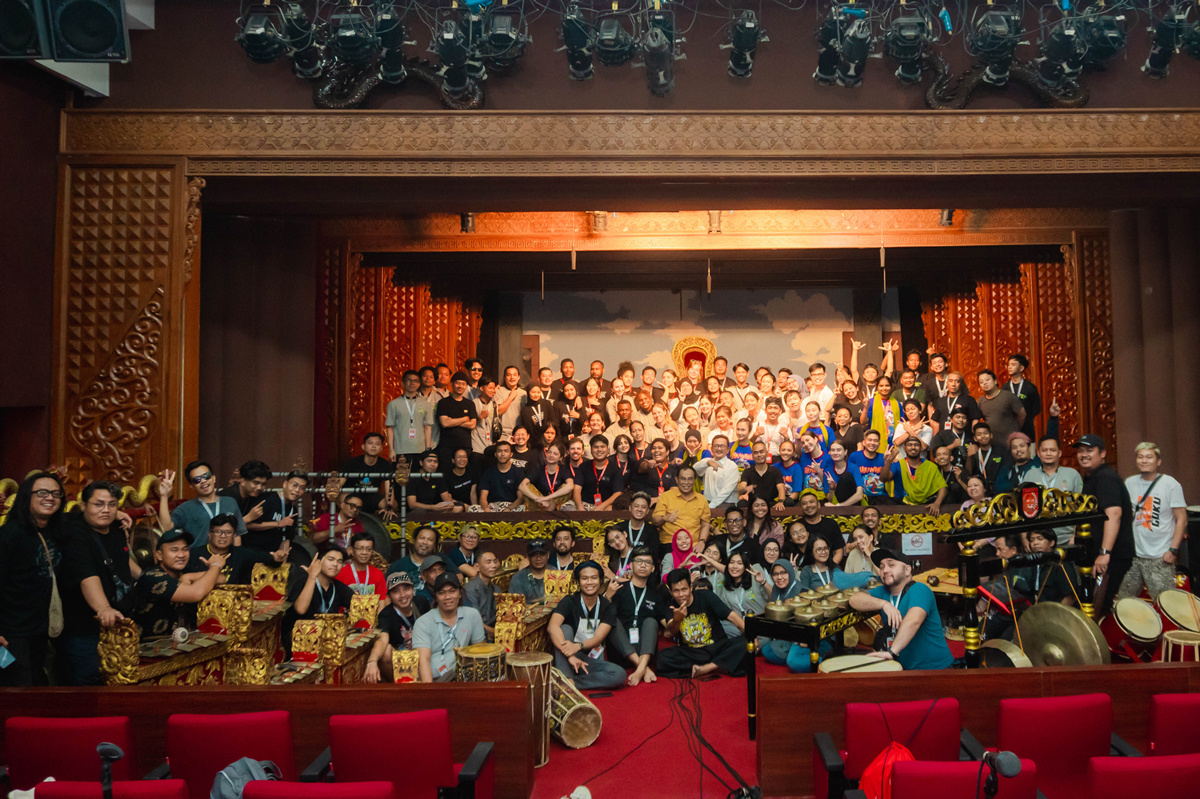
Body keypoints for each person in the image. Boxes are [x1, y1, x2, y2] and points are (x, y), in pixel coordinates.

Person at [56, 479, 144, 685]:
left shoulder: (116, 527)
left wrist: (148, 578)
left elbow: (123, 563)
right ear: (84, 505)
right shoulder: (75, 533)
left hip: (117, 623)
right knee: (87, 680)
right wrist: (103, 607)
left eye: (112, 505)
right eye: (98, 504)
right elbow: (86, 576)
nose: (105, 510)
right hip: (83, 626)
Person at [0, 472, 66, 686]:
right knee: (17, 688)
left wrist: (119, 515)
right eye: (42, 493)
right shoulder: (9, 534)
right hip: (11, 634)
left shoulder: (57, 530)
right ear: (27, 496)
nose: (50, 498)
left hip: (42, 631)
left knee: (38, 687)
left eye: (56, 493)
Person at [849, 548, 954, 670]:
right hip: (905, 669)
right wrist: (884, 604)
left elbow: (913, 621)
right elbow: (854, 599)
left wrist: (891, 652)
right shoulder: (883, 592)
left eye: (891, 565)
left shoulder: (920, 589)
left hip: (935, 670)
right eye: (882, 567)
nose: (885, 570)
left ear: (907, 569)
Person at [1116, 442, 1188, 602]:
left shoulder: (1170, 484)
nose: (1144, 460)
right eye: (1140, 457)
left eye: (1149, 457)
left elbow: (1181, 518)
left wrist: (1173, 550)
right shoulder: (1129, 483)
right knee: (1124, 602)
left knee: (1166, 603)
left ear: (1158, 461)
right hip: (1133, 555)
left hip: (1159, 556)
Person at [549, 561, 628, 690]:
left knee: (619, 674)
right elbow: (552, 626)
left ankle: (567, 683)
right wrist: (570, 655)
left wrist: (578, 647)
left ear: (601, 580)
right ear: (578, 582)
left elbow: (598, 638)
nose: (589, 582)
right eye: (584, 578)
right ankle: (568, 678)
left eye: (594, 578)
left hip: (589, 657)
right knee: (565, 629)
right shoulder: (569, 601)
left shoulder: (608, 607)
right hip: (566, 656)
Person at [132, 528, 225, 638]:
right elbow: (197, 593)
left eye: (185, 549)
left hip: (176, 643)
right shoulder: (152, 577)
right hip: (148, 646)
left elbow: (221, 578)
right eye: (174, 550)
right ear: (159, 555)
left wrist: (187, 576)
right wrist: (216, 565)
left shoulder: (184, 572)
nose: (181, 555)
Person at [658, 568, 747, 678]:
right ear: (670, 592)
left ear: (691, 587)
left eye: (684, 589)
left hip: (717, 647)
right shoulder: (670, 606)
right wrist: (678, 619)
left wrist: (751, 634)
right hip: (692, 652)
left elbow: (732, 617)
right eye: (676, 591)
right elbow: (671, 631)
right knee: (661, 658)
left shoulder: (706, 596)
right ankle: (721, 664)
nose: (681, 594)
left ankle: (707, 668)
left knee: (747, 641)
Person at [413, 573, 486, 682]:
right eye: (442, 593)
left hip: (462, 678)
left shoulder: (472, 615)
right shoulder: (423, 622)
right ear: (436, 597)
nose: (447, 597)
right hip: (435, 680)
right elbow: (423, 660)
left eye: (452, 591)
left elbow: (480, 653)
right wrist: (429, 691)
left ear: (460, 593)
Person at [609, 547, 664, 687]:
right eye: (639, 561)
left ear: (653, 568)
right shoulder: (618, 589)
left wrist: (677, 618)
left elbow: (668, 625)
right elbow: (603, 617)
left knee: (651, 622)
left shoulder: (655, 595)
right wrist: (608, 597)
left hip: (644, 650)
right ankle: (642, 668)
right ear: (631, 565)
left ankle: (641, 666)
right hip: (620, 651)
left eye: (647, 562)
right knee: (612, 620)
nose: (643, 565)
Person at [187, 514, 289, 586]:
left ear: (234, 535)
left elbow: (263, 557)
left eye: (228, 532)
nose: (223, 536)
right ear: (210, 534)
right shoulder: (195, 554)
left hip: (232, 605)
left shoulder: (239, 553)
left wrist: (276, 557)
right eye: (218, 532)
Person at [168, 460, 247, 548]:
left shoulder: (230, 502)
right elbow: (167, 528)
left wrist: (236, 559)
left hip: (227, 559)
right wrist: (164, 496)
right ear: (191, 486)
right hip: (198, 559)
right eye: (197, 480)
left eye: (206, 476)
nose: (203, 481)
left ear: (214, 478)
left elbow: (237, 534)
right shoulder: (185, 508)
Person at [364, 571, 422, 683]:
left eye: (406, 589)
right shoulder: (386, 614)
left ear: (413, 590)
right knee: (385, 651)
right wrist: (372, 661)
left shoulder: (421, 603)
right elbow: (382, 639)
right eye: (396, 591)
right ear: (389, 596)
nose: (403, 595)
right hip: (399, 662)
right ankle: (397, 686)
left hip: (423, 654)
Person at [1025, 434, 1084, 545]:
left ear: (1059, 453)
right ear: (1038, 453)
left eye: (1052, 450)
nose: (1048, 453)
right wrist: (1024, 537)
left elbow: (1081, 507)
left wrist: (1076, 535)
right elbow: (1023, 509)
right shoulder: (1030, 475)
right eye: (1044, 450)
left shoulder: (1072, 474)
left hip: (1067, 538)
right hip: (1038, 540)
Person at [883, 437, 948, 515]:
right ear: (904, 449)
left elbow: (942, 487)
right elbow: (883, 478)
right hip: (902, 504)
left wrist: (937, 503)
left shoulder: (930, 466)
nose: (913, 447)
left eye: (916, 445)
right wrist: (889, 460)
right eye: (910, 445)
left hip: (925, 504)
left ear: (921, 449)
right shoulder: (898, 465)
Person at [246, 470, 308, 551]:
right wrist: (278, 523)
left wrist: (283, 560)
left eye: (302, 488)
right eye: (294, 485)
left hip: (273, 555)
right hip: (253, 551)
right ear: (285, 484)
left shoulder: (293, 510)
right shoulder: (268, 500)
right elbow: (247, 525)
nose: (297, 490)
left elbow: (286, 539)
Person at [652, 466, 711, 548]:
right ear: (677, 480)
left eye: (690, 479)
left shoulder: (701, 499)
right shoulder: (666, 497)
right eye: (683, 479)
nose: (686, 482)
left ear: (694, 480)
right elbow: (655, 521)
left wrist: (702, 542)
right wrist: (665, 518)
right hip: (670, 544)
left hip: (693, 545)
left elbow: (705, 525)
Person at [341, 433, 396, 518]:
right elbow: (339, 484)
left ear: (381, 448)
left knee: (393, 504)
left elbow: (389, 488)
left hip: (372, 495)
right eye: (370, 443)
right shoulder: (352, 463)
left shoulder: (385, 465)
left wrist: (389, 506)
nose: (373, 446)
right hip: (353, 493)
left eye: (377, 444)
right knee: (342, 497)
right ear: (363, 446)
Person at [293, 548, 355, 621]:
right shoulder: (303, 582)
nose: (335, 564)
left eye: (339, 561)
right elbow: (300, 610)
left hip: (329, 631)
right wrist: (312, 576)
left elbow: (359, 604)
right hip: (303, 630)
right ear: (318, 562)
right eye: (330, 559)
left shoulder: (339, 587)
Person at [712, 552, 765, 637]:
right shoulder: (726, 587)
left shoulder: (755, 579)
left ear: (745, 567)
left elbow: (772, 597)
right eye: (731, 562)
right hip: (739, 628)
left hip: (759, 628)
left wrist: (763, 582)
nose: (734, 566)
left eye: (739, 563)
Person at [975, 369, 1025, 450]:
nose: (984, 383)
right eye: (981, 382)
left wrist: (1015, 430)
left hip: (1010, 443)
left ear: (995, 381)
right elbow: (976, 420)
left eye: (987, 380)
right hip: (991, 444)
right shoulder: (980, 401)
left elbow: (1022, 415)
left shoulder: (1008, 396)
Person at [387, 370, 430, 461]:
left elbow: (427, 427)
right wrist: (391, 450)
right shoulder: (393, 404)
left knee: (418, 475)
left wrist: (428, 449)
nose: (412, 383)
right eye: (409, 380)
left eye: (415, 381)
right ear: (403, 383)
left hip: (420, 450)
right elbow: (390, 428)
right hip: (400, 450)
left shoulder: (425, 403)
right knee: (401, 475)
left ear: (419, 384)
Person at [519, 442, 574, 511]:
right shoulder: (539, 469)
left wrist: (547, 498)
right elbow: (522, 485)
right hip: (540, 503)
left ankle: (548, 513)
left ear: (561, 457)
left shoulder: (563, 470)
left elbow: (570, 486)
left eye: (555, 454)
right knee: (527, 485)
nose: (551, 455)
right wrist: (538, 499)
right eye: (549, 452)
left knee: (565, 487)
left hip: (555, 504)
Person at [796, 491, 847, 566]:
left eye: (811, 502)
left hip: (829, 567)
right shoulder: (797, 526)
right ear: (801, 508)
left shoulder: (831, 524)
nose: (808, 505)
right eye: (804, 503)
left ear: (819, 505)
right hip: (804, 569)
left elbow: (839, 551)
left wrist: (830, 567)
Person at [336, 532, 387, 600]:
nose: (364, 553)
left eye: (368, 549)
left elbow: (382, 601)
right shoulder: (341, 574)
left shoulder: (377, 574)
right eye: (360, 548)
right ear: (351, 550)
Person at [847, 429, 893, 503]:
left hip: (881, 497)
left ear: (879, 444)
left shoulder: (884, 457)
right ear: (864, 443)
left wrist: (887, 462)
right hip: (860, 496)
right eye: (870, 440)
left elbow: (888, 479)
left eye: (875, 441)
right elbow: (848, 477)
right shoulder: (855, 456)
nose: (872, 443)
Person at [737, 442, 787, 510]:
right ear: (752, 455)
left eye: (761, 452)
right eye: (756, 453)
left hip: (771, 503)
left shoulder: (775, 471)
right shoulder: (747, 472)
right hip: (753, 504)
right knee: (741, 503)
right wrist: (745, 488)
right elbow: (741, 488)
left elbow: (781, 488)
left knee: (787, 502)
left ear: (766, 453)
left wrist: (780, 501)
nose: (759, 455)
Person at [694, 435, 740, 508]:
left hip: (727, 505)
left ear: (728, 449)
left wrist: (711, 506)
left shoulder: (732, 466)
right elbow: (694, 469)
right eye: (716, 446)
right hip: (708, 502)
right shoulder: (707, 461)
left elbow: (726, 490)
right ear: (711, 449)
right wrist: (708, 463)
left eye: (722, 446)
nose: (719, 448)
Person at [477, 441, 524, 512]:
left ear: (511, 454)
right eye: (500, 451)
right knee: (473, 508)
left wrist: (509, 509)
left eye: (506, 451)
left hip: (512, 507)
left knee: (524, 508)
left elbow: (520, 498)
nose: (502, 454)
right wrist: (487, 510)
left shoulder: (518, 472)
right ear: (495, 454)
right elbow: (483, 497)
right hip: (492, 506)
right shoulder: (488, 472)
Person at [1002, 354, 1041, 439]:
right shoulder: (1004, 387)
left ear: (1021, 368)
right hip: (1009, 430)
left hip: (1027, 429)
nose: (1009, 367)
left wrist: (1024, 418)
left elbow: (1036, 408)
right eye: (1008, 365)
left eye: (1013, 364)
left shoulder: (1030, 388)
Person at [614, 492, 661, 561]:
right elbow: (613, 555)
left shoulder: (652, 531)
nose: (639, 509)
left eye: (643, 507)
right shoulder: (619, 528)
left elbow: (653, 556)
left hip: (643, 568)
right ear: (630, 508)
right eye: (636, 506)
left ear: (647, 510)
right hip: (621, 569)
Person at [464, 550, 501, 636]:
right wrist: (498, 633)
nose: (494, 565)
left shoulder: (496, 589)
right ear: (477, 567)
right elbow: (475, 623)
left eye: (495, 562)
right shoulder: (470, 589)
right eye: (488, 562)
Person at [969, 423, 1013, 494]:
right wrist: (969, 457)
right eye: (979, 434)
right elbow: (969, 472)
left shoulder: (1001, 450)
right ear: (975, 438)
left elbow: (1007, 468)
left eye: (985, 433)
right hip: (981, 492)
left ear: (991, 435)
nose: (983, 436)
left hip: (1000, 489)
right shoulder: (974, 453)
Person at [929, 406, 972, 471]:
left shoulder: (970, 436)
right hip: (945, 471)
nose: (961, 420)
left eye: (964, 418)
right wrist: (952, 446)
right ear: (951, 420)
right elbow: (934, 455)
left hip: (965, 471)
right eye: (958, 417)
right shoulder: (942, 434)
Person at [471, 377, 500, 468]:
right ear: (481, 388)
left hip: (490, 445)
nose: (493, 391)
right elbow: (469, 423)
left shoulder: (494, 404)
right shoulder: (473, 403)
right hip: (477, 445)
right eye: (490, 388)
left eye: (494, 388)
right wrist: (479, 417)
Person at [824, 440, 864, 506]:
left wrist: (840, 506)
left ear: (845, 452)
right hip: (835, 505)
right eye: (833, 450)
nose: (835, 453)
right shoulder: (827, 471)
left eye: (838, 450)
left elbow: (859, 495)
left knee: (846, 476)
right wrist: (832, 488)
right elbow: (830, 500)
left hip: (853, 505)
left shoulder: (853, 467)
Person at [495, 365, 527, 442]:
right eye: (509, 375)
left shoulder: (523, 393)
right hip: (503, 435)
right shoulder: (499, 391)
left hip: (519, 435)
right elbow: (499, 411)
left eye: (515, 375)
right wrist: (511, 397)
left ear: (518, 377)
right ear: (505, 377)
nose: (512, 377)